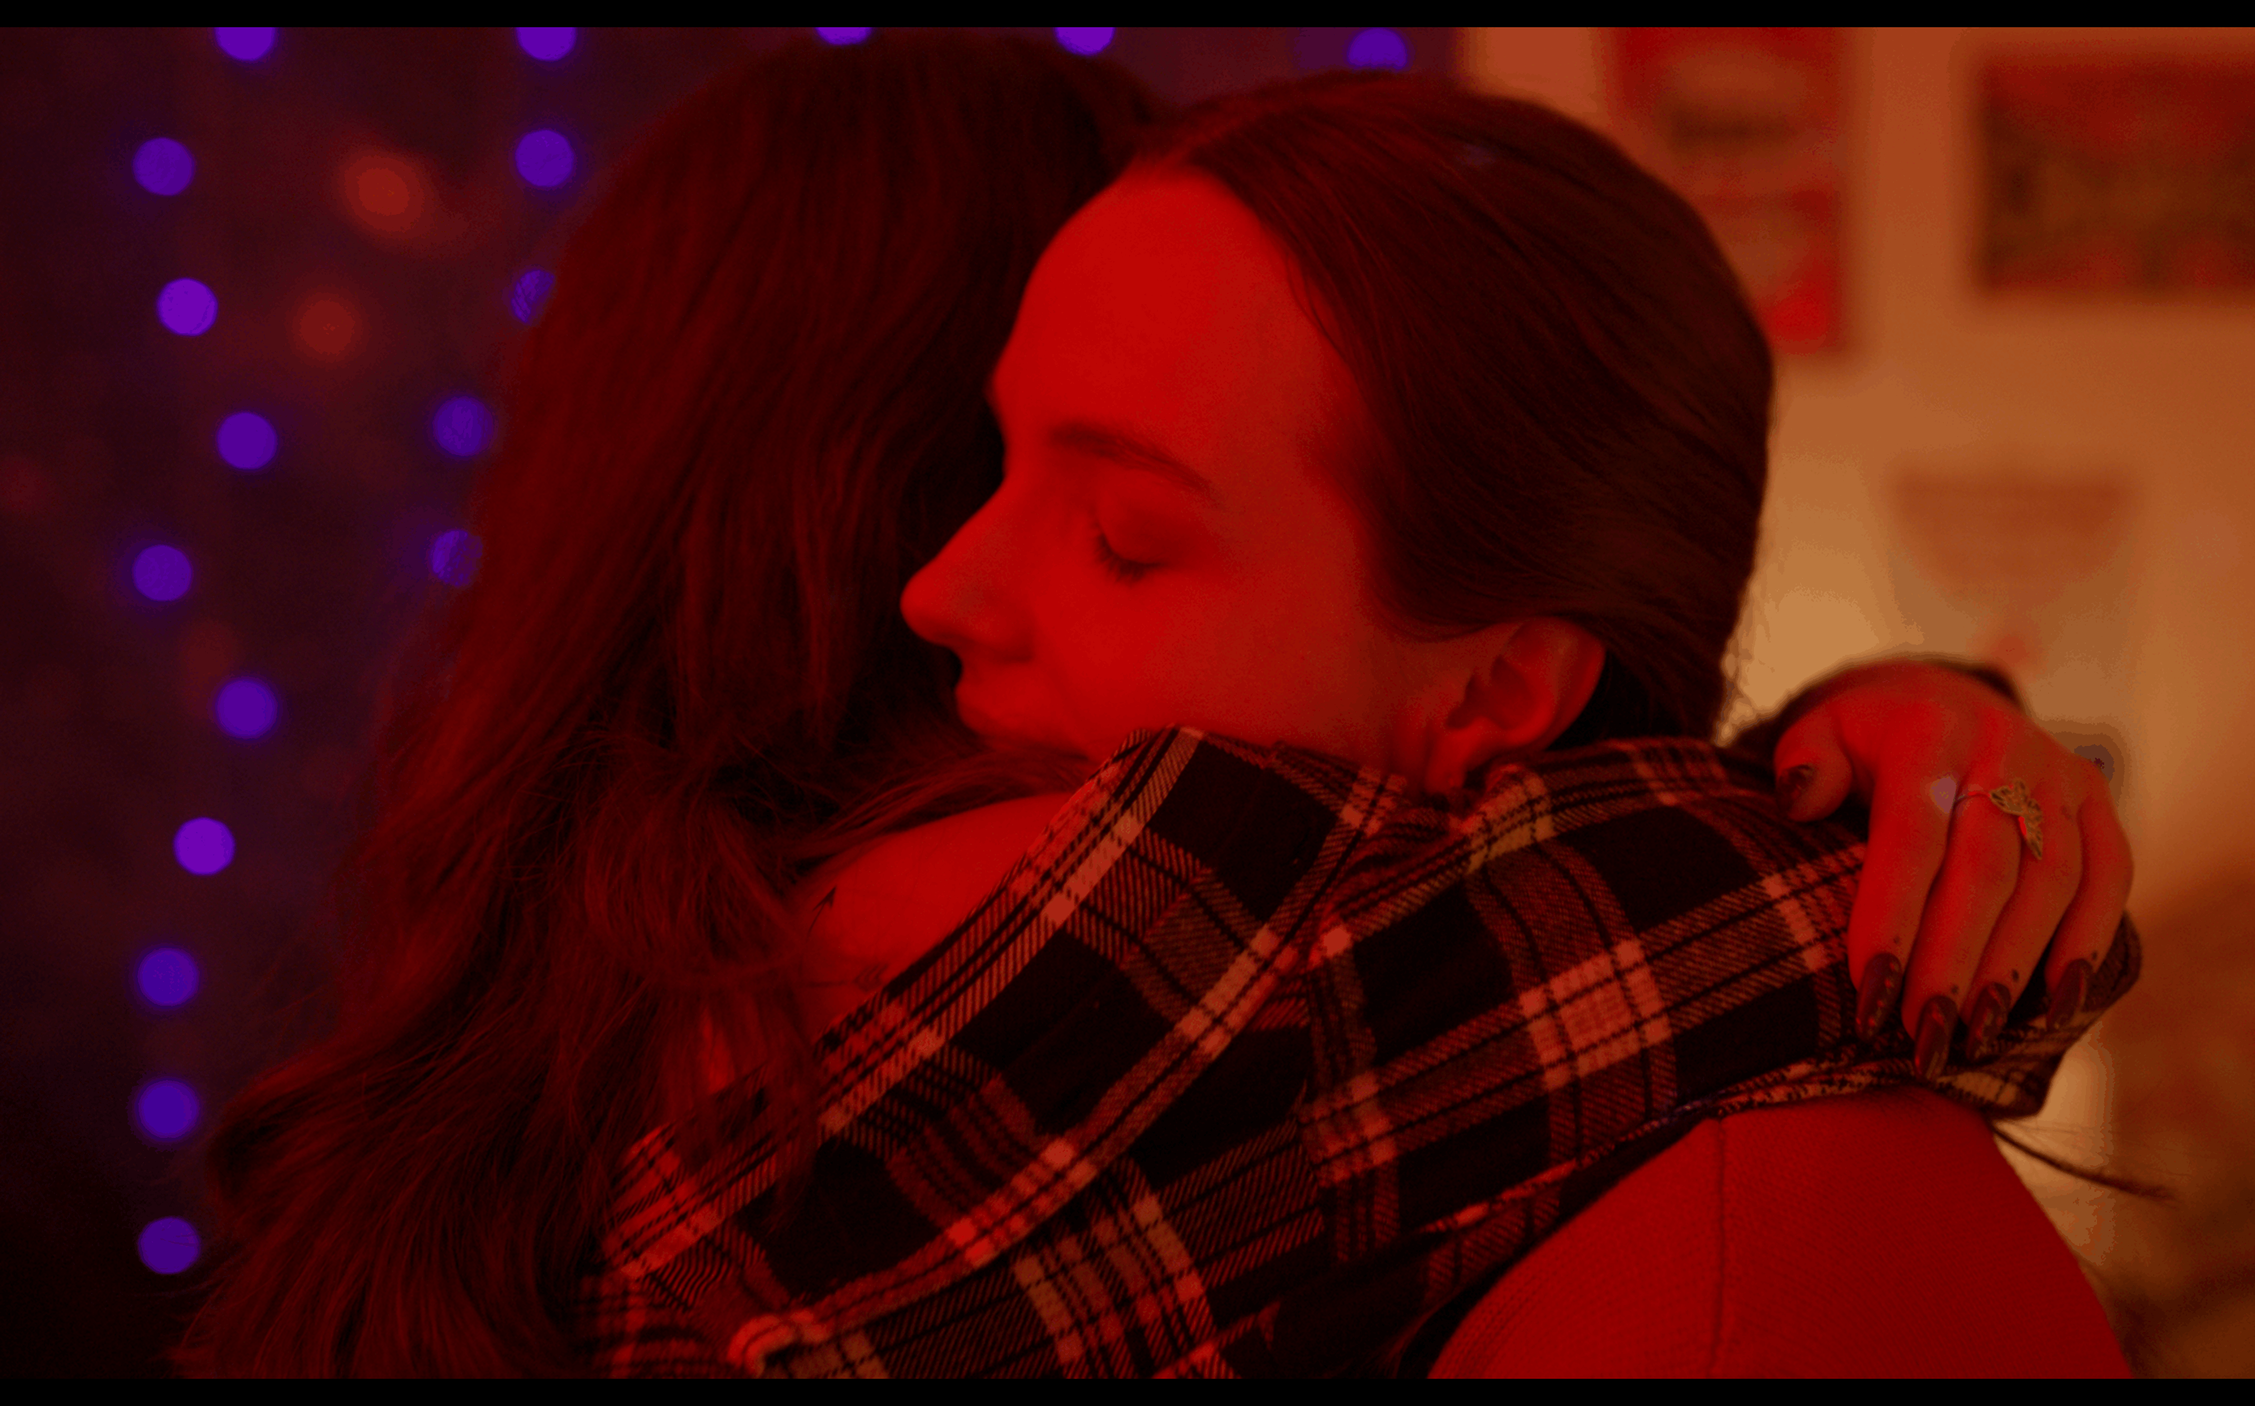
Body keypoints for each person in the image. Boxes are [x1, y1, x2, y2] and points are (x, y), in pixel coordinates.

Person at [179, 35, 2129, 1377]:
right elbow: (1647, 937)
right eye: (981, 463)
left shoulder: (544, 979)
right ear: (847, 492)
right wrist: (1878, 780)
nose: (949, 588)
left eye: (1116, 522)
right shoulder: (941, 971)